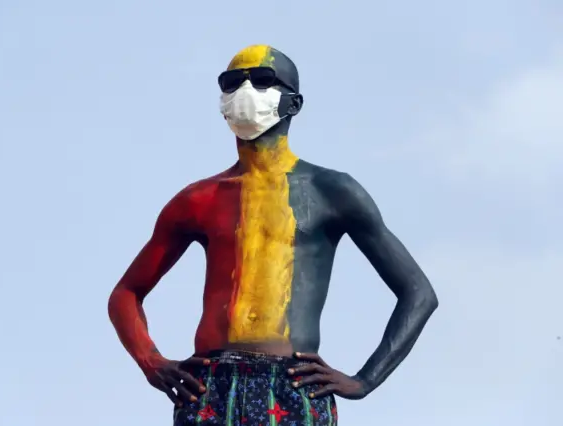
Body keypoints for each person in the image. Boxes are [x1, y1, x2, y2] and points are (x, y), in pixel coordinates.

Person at [108, 44, 438, 425]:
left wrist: (365, 380)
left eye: (263, 80)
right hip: (211, 388)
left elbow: (419, 293)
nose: (245, 91)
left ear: (293, 104)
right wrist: (151, 362)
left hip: (293, 386)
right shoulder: (198, 199)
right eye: (233, 82)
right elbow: (126, 293)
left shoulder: (331, 191)